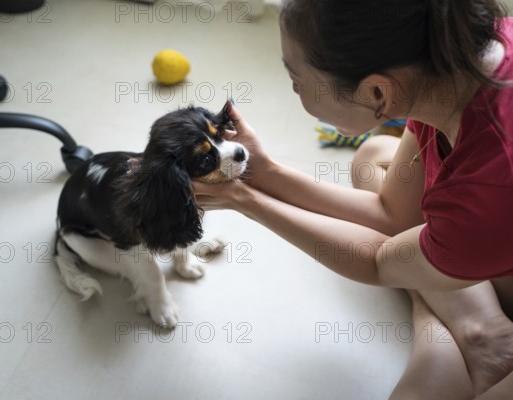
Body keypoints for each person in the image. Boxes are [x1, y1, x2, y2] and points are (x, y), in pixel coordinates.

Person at [192, 0, 513, 398]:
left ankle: (475, 332)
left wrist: (246, 201)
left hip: (492, 221)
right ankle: (476, 327)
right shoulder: (455, 52)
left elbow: (379, 261)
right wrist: (266, 172)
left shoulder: (486, 188)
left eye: (296, 79)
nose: (294, 90)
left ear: (377, 91)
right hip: (489, 233)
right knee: (373, 156)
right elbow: (393, 216)